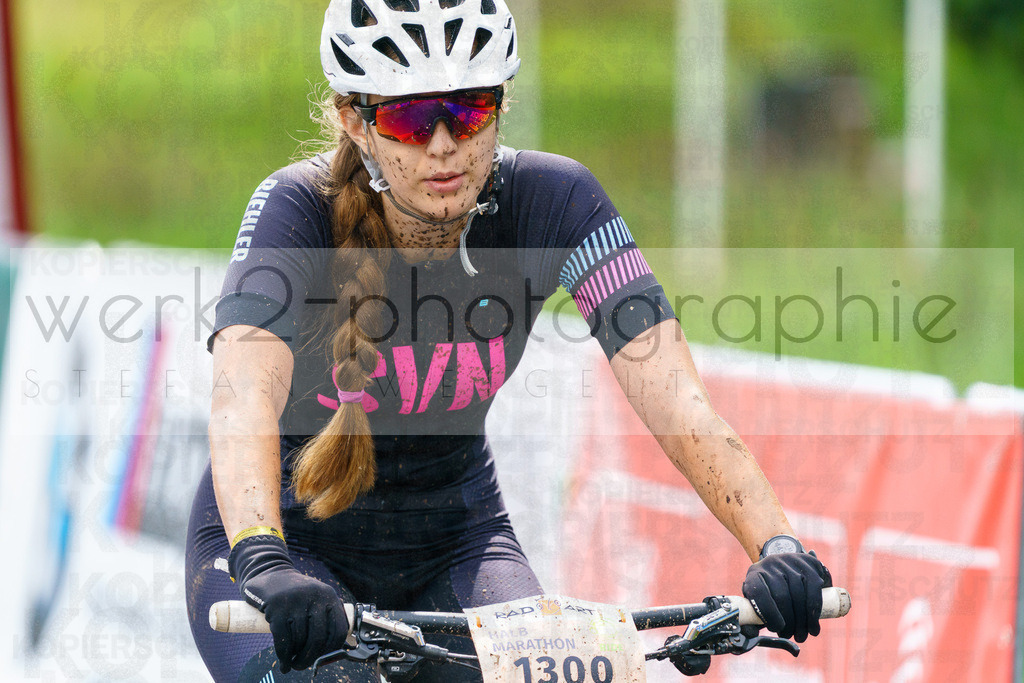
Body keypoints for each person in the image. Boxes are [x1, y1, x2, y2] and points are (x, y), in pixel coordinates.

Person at [185, 1, 833, 681]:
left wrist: (775, 542)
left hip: (457, 546)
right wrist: (263, 556)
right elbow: (242, 396)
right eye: (408, 118)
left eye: (468, 111)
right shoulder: (295, 209)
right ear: (356, 121)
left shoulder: (557, 202)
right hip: (287, 546)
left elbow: (677, 401)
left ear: (500, 105)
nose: (443, 145)